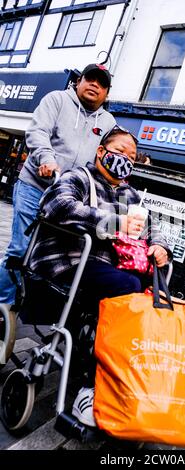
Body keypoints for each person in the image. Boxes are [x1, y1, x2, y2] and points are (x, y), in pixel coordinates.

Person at [29, 126, 171, 427]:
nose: (125, 160)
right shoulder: (79, 177)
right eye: (120, 152)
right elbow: (56, 206)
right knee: (128, 286)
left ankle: (119, 370)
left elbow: (151, 226)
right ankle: (88, 385)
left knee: (147, 292)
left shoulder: (131, 194)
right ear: (101, 152)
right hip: (68, 260)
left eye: (132, 157)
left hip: (104, 268)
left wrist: (159, 245)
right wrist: (114, 222)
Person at [0, 63, 116, 305]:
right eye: (90, 79)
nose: (95, 85)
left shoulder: (107, 122)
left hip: (67, 200)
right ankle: (4, 304)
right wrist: (47, 159)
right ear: (79, 81)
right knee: (21, 249)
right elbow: (38, 131)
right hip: (36, 186)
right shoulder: (57, 100)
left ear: (107, 92)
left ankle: (30, 304)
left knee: (51, 256)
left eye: (101, 83)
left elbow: (106, 158)